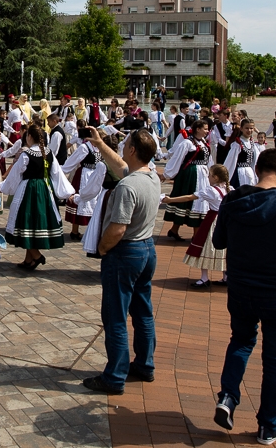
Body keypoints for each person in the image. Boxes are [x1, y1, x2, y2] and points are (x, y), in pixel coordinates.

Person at [211, 148, 276, 445]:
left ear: (257, 170)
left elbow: (219, 242)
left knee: (241, 341)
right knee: (275, 360)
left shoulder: (233, 201)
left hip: (241, 288)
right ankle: (268, 425)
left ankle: (228, 396)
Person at [82, 129, 161, 394]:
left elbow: (118, 229)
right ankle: (145, 365)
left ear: (133, 150)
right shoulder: (151, 176)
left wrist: (102, 248)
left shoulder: (127, 186)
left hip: (126, 252)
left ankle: (114, 376)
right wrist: (99, 143)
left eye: (126, 144)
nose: (123, 147)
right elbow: (120, 165)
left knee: (115, 315)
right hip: (147, 248)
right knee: (142, 311)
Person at [0, 125, 75, 269]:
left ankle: (36, 255)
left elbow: (16, 175)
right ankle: (29, 260)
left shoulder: (26, 154)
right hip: (45, 189)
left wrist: (3, 186)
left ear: (29, 137)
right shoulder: (49, 153)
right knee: (34, 223)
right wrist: (67, 192)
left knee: (27, 222)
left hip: (28, 189)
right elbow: (57, 174)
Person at [164, 163, 231, 288]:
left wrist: (170, 200)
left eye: (209, 175)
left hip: (212, 221)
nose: (208, 177)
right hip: (225, 222)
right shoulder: (229, 189)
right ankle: (225, 276)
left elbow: (189, 198)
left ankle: (204, 278)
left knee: (204, 246)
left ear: (216, 177)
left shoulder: (211, 191)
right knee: (224, 249)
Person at [162, 120, 212, 241]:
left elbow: (209, 160)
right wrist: (167, 174)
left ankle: (174, 230)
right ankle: (195, 234)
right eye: (205, 129)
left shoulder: (203, 142)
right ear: (198, 129)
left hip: (201, 175)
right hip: (191, 175)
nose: (207, 131)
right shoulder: (187, 143)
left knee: (197, 201)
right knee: (193, 200)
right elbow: (177, 158)